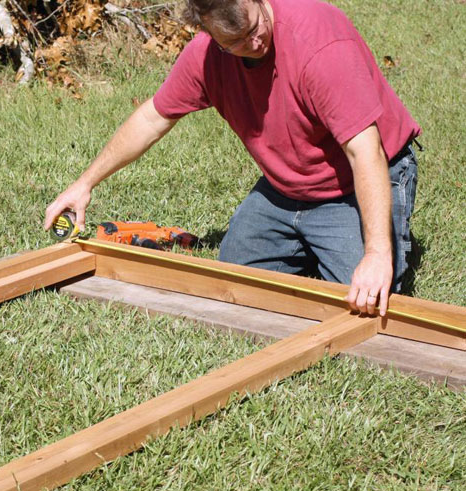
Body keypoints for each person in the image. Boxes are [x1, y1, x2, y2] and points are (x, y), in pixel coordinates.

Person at [44, 0, 420, 317]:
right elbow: (152, 118)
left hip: (354, 180)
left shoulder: (317, 42)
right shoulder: (207, 59)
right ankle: (308, 243)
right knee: (231, 285)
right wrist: (84, 183)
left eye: (255, 26)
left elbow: (365, 150)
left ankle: (360, 242)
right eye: (235, 41)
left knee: (362, 301)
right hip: (285, 188)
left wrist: (375, 254)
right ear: (207, 32)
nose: (254, 42)